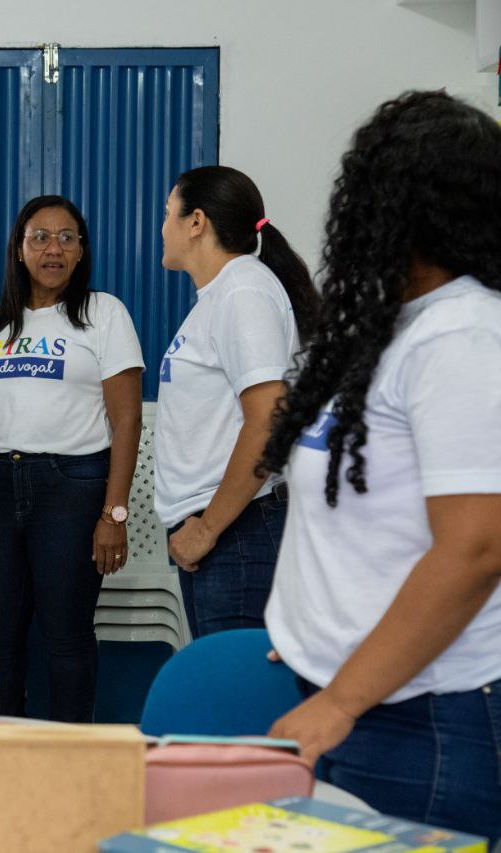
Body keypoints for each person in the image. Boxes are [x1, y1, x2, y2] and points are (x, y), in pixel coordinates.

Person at [263, 91, 501, 840]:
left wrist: (341, 698)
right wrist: (316, 623)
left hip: (420, 719)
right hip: (359, 697)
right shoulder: (396, 327)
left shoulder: (464, 339)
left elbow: (476, 547)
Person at [0, 195, 144, 722]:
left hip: (72, 488)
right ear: (19, 249)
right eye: (40, 237)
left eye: (66, 237)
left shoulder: (105, 314)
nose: (53, 248)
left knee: (66, 635)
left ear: (81, 251)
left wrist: (113, 514)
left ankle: (71, 764)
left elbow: (127, 421)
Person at [154, 166, 320, 639]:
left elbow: (268, 418)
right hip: (225, 531)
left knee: (235, 709)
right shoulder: (223, 293)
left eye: (169, 213)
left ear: (196, 222)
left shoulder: (242, 290)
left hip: (237, 531)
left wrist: (208, 529)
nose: (163, 227)